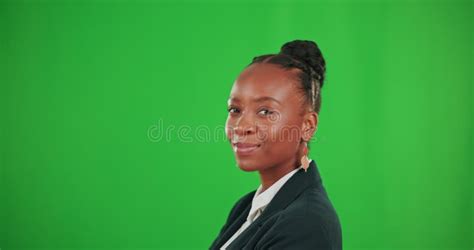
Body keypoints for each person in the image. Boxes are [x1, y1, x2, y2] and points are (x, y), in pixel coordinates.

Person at [210, 40, 342, 249]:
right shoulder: (246, 207)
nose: (241, 126)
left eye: (265, 112)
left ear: (307, 126)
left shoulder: (305, 224)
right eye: (235, 109)